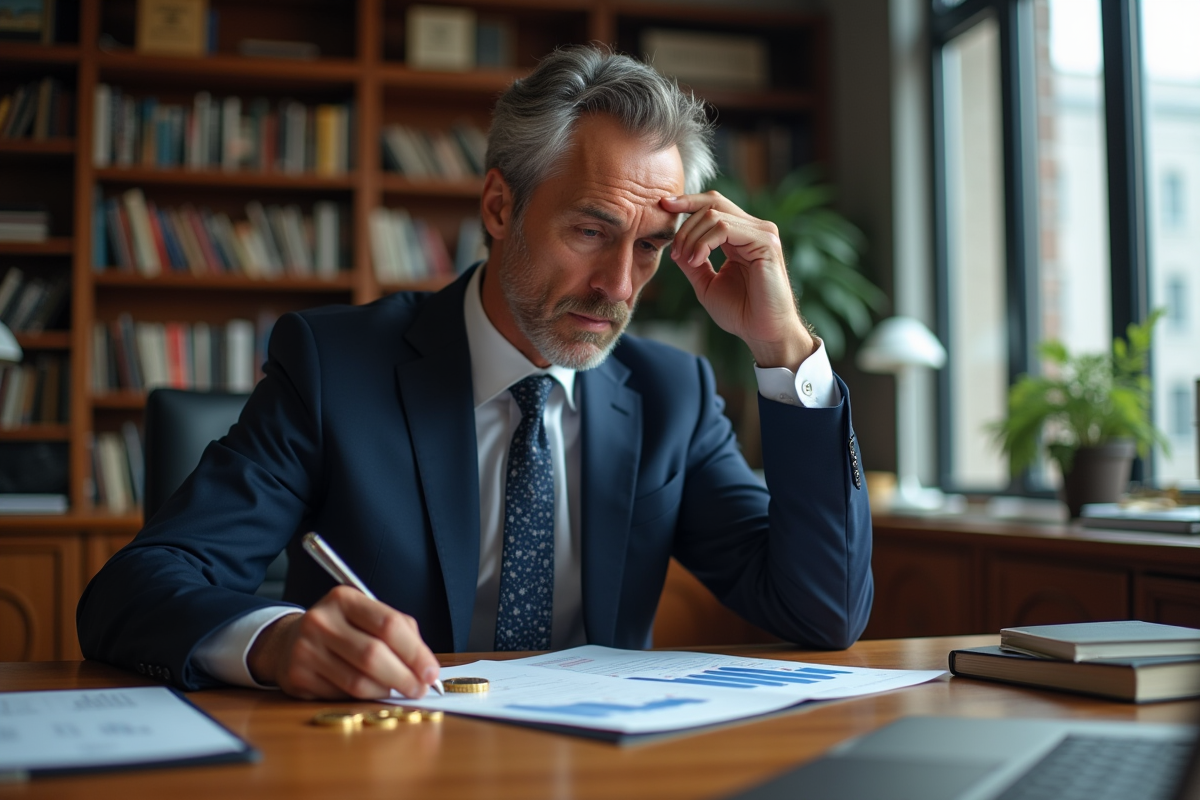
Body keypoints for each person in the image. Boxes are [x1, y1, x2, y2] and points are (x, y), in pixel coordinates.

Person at [77, 45, 873, 700]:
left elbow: (824, 610)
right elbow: (135, 590)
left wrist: (785, 348)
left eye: (649, 248)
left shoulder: (673, 395)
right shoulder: (335, 370)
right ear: (499, 206)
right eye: (591, 231)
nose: (619, 287)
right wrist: (275, 641)